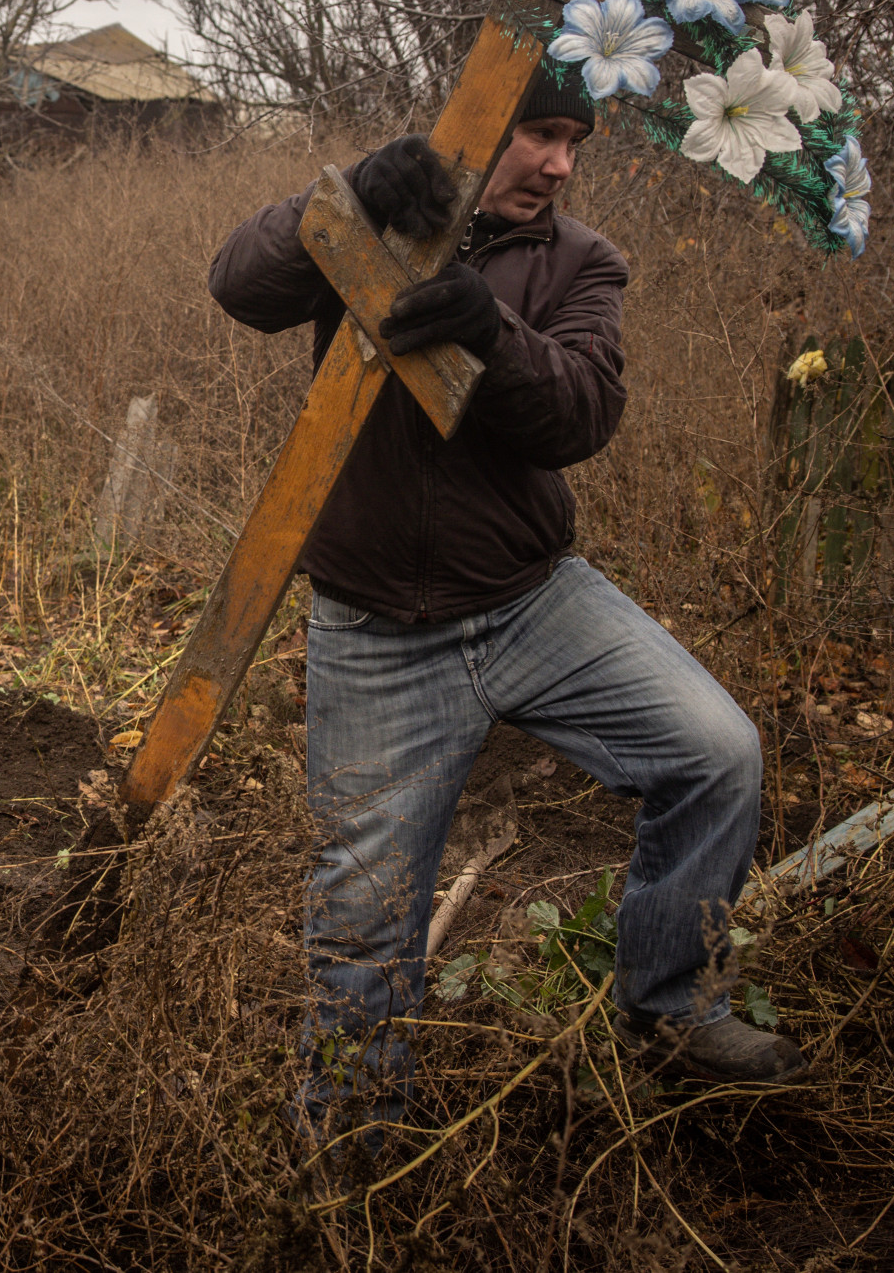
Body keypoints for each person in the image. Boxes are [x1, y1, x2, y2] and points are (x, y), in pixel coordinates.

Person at [206, 69, 804, 1129]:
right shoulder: (375, 218)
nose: (561, 163)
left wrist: (491, 331)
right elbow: (237, 286)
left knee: (717, 751)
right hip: (375, 630)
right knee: (362, 913)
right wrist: (334, 195)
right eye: (540, 131)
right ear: (482, 121)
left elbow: (579, 414)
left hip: (534, 603)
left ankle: (667, 1003)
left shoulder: (581, 260)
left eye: (577, 138)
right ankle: (353, 1131)